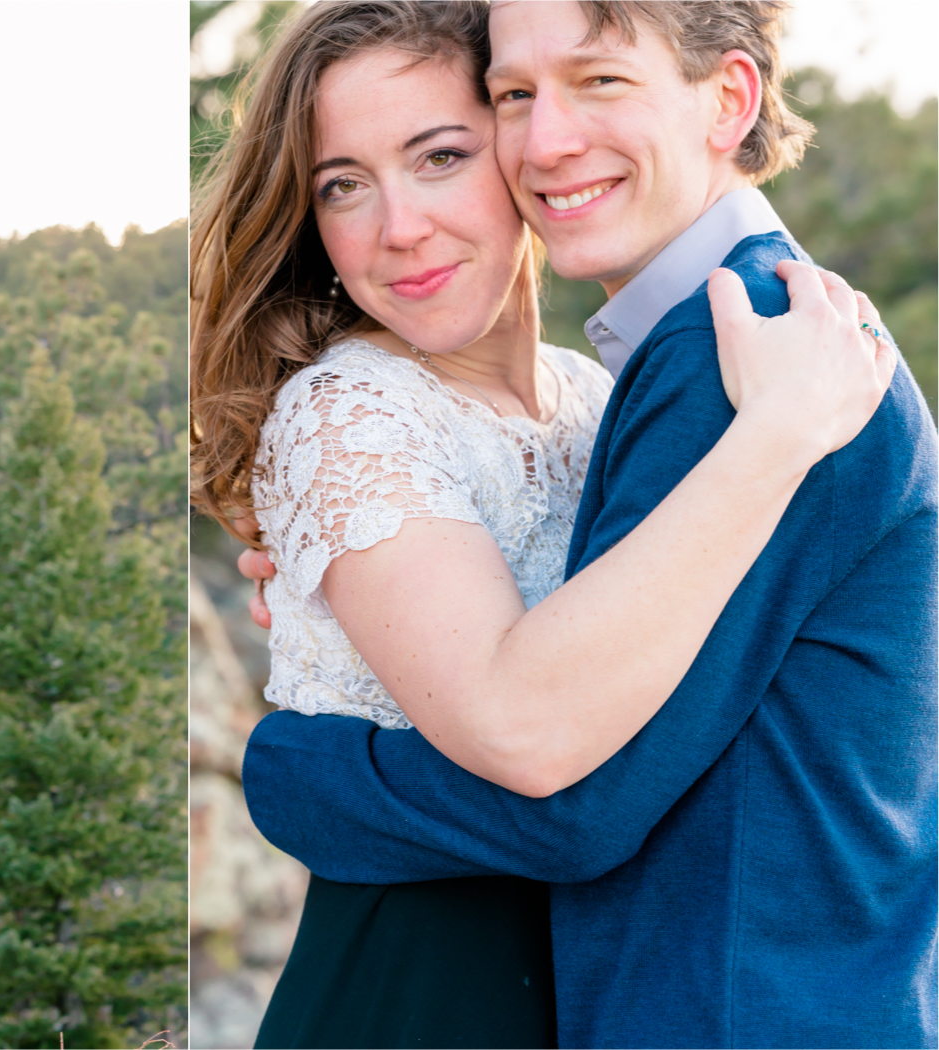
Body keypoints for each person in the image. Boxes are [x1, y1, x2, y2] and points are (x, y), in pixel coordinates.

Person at [228, 2, 936, 1048]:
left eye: (441, 155)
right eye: (518, 95)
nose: (550, 140)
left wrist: (295, 766)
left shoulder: (743, 362)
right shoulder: (688, 366)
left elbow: (578, 797)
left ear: (729, 100)